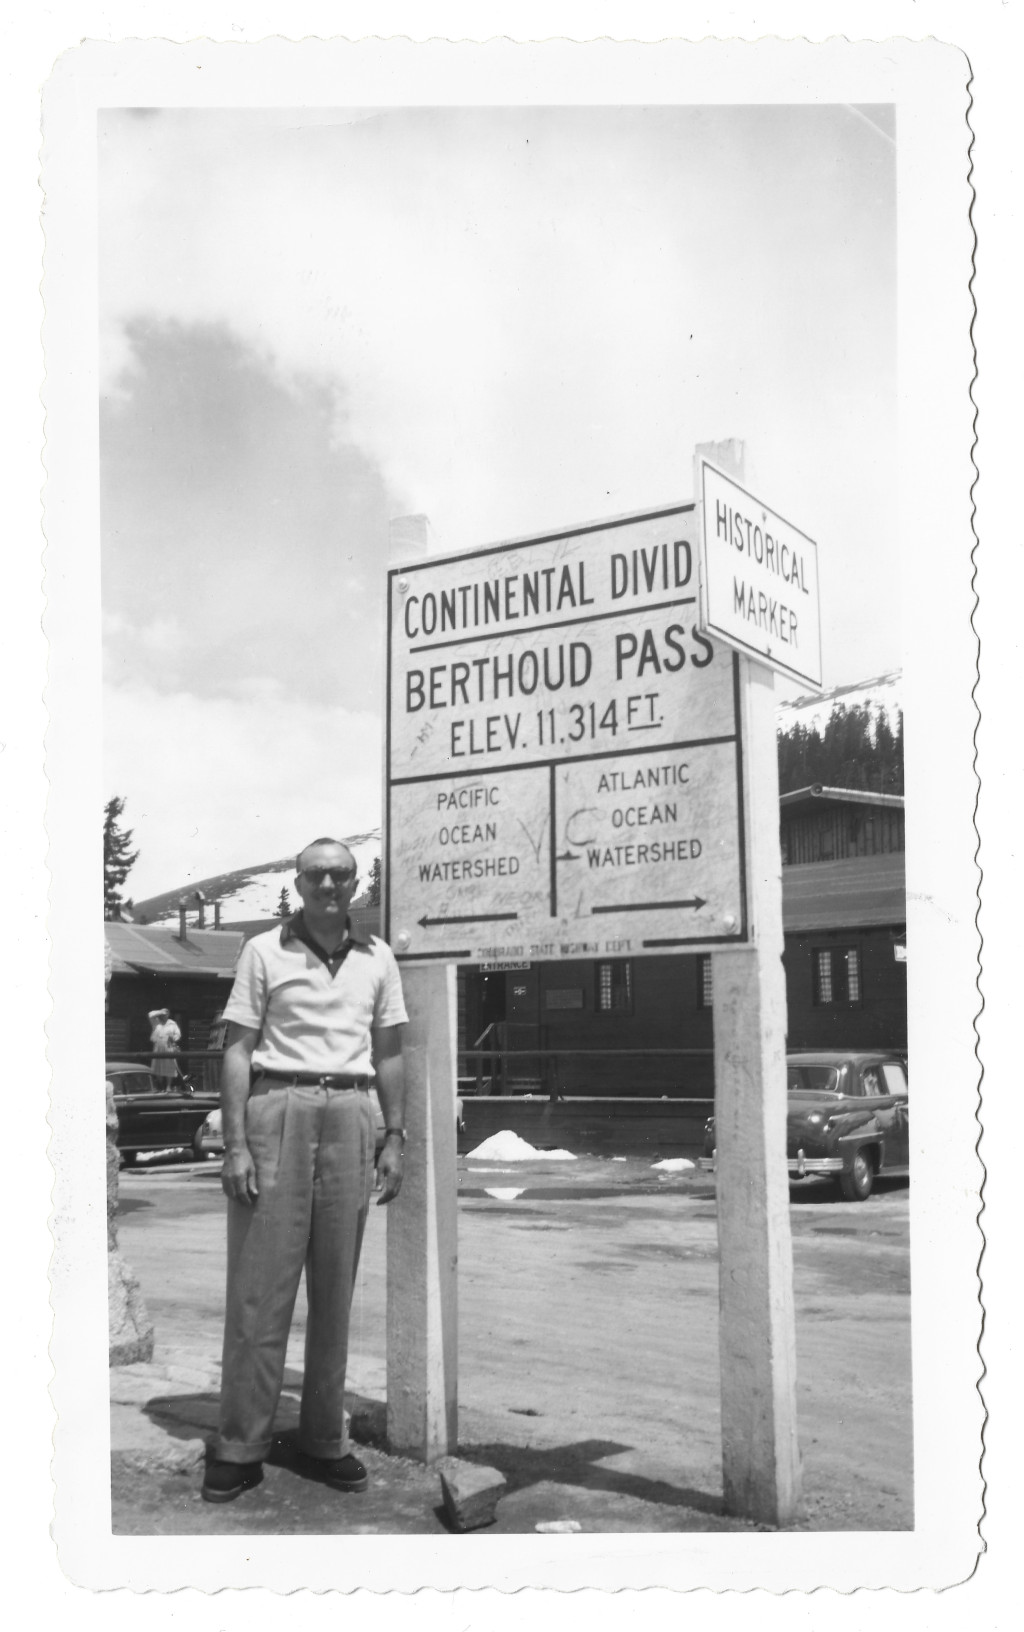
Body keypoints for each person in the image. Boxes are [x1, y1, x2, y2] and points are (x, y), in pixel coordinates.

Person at [201, 838, 408, 1504]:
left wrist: (394, 1135)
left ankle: (323, 1439)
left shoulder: (379, 957)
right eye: (316, 874)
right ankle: (239, 1444)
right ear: (298, 880)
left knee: (334, 1290)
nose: (328, 885)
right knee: (260, 1291)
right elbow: (238, 1049)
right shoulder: (264, 950)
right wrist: (235, 1144)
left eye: (340, 876)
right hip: (278, 1108)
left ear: (353, 886)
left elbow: (390, 1052)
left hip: (351, 1112)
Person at [149, 1008, 181, 1085]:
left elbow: (178, 1034)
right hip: (158, 1047)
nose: (164, 1016)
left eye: (166, 1014)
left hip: (169, 1046)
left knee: (169, 1066)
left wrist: (173, 1038)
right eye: (162, 1015)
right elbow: (150, 1014)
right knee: (157, 1067)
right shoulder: (156, 1022)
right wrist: (160, 1011)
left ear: (168, 1015)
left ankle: (168, 1087)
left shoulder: (172, 1023)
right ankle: (161, 1086)